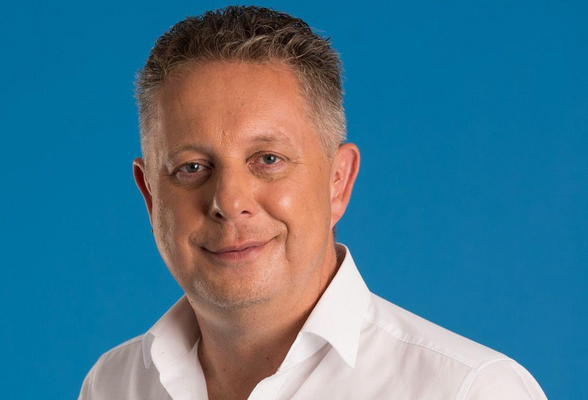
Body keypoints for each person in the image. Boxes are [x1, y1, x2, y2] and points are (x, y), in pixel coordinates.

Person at [78, 5, 547, 400]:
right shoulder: (112, 386)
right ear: (150, 195)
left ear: (337, 182)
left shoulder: (469, 390)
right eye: (192, 167)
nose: (229, 201)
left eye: (268, 159)